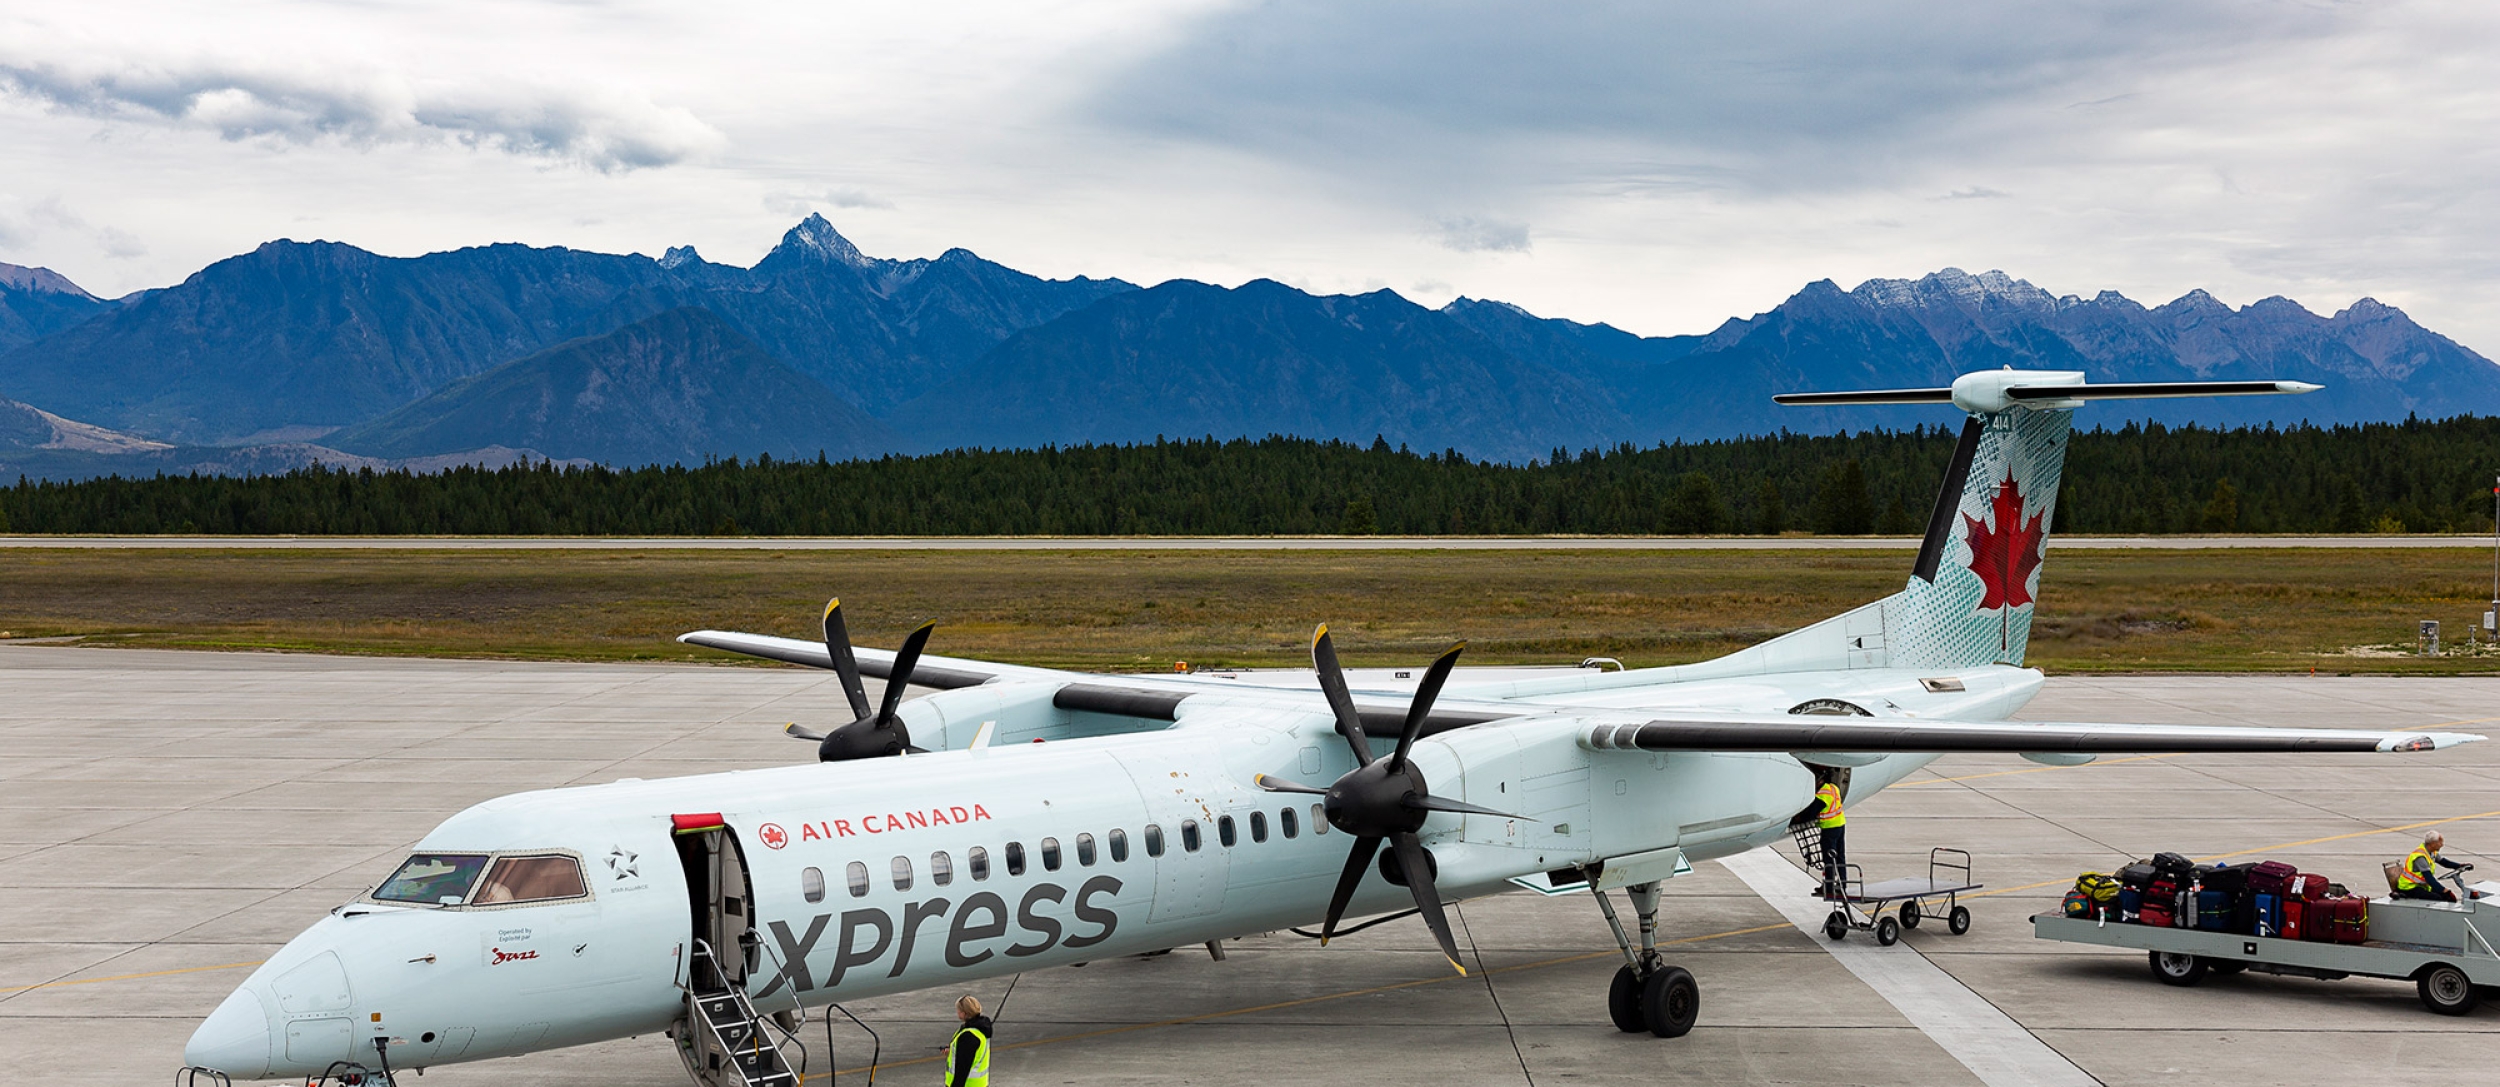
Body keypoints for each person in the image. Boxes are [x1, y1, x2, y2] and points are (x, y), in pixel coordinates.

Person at [2393, 831, 2474, 901]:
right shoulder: (2420, 857)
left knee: (2446, 897)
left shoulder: (2431, 852)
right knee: (2438, 899)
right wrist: (2444, 890)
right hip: (2409, 888)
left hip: (2420, 886)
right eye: (2440, 842)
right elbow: (2429, 879)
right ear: (2432, 844)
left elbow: (2444, 862)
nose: (2442, 844)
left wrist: (2460, 865)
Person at [944, 994, 993, 1087]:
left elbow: (962, 1070)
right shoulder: (979, 1029)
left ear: (964, 1013)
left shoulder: (968, 1036)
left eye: (958, 1010)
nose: (957, 1012)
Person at [1813, 780, 1847, 897]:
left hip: (1829, 829)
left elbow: (1811, 812)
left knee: (1829, 859)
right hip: (1840, 824)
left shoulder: (1822, 795)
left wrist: (1798, 818)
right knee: (1840, 856)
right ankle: (1842, 884)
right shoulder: (1833, 788)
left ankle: (1828, 887)